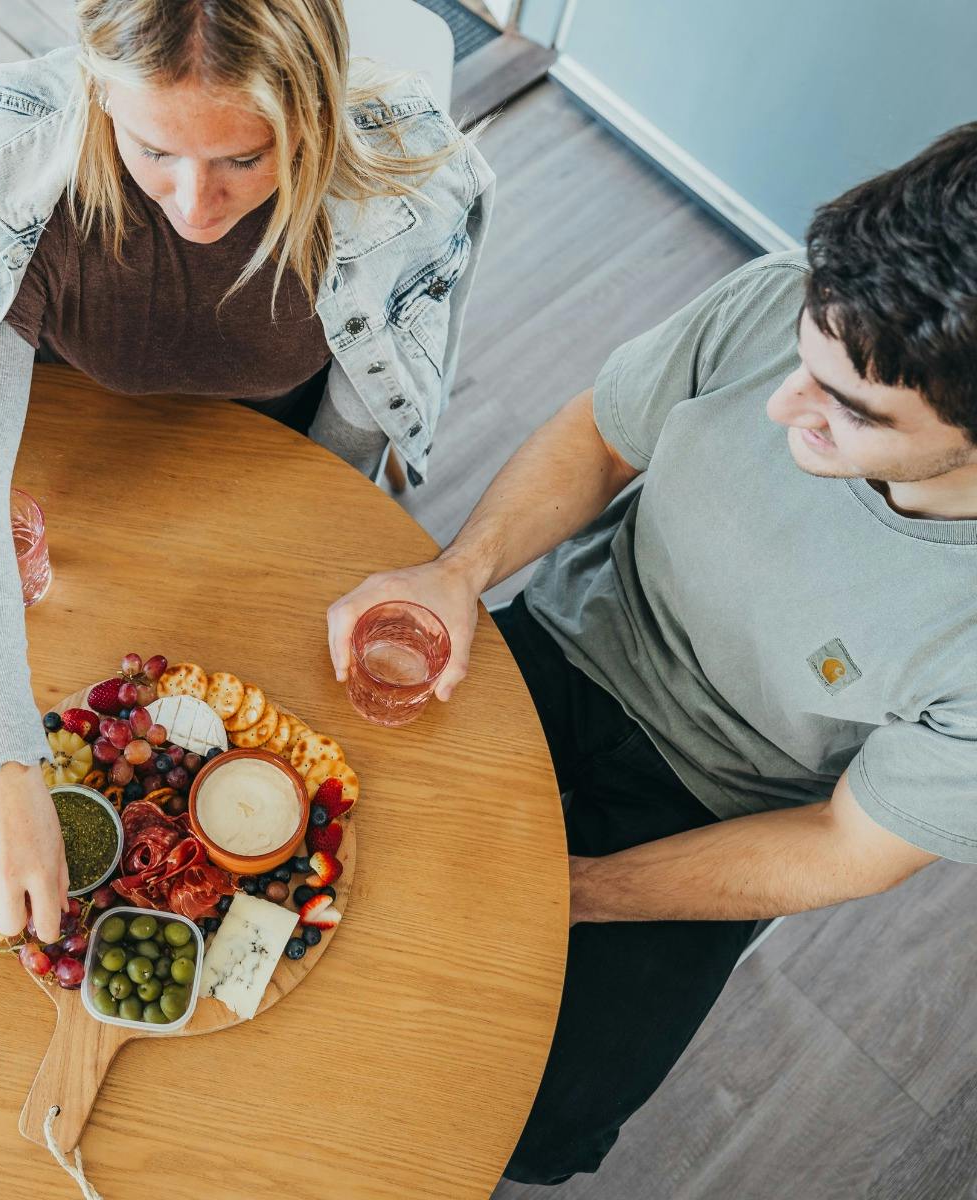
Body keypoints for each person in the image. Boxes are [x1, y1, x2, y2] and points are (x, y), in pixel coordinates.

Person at [326, 122, 977, 1183]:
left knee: (531, 1115)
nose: (781, 405)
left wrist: (572, 891)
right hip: (571, 637)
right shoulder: (776, 297)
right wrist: (458, 571)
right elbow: (602, 434)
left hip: (728, 804)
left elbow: (844, 845)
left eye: (847, 411)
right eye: (803, 356)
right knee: (314, 832)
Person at [0, 0, 493, 943]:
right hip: (63, 464)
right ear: (100, 90)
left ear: (313, 113)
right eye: (153, 151)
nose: (193, 204)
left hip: (268, 463)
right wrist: (3, 767)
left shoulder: (406, 185)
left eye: (243, 159)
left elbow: (349, 447)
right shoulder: (5, 163)